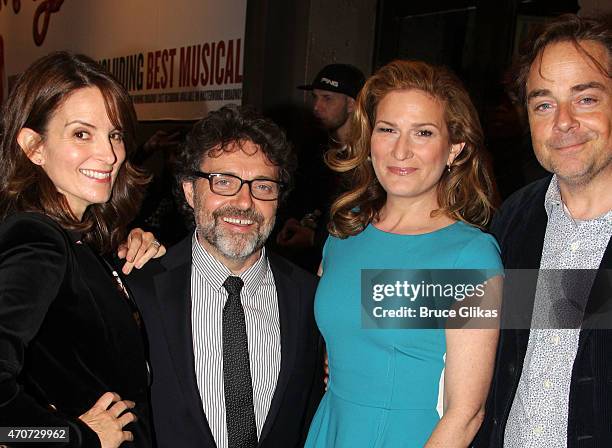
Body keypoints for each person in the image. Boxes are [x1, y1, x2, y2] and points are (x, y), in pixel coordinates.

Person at [304, 59, 503, 447]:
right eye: (388, 129)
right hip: (332, 427)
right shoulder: (345, 230)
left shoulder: (470, 256)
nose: (401, 150)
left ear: (455, 149)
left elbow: (466, 414)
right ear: (369, 138)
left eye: (423, 133)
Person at [127, 105, 324, 448]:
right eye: (224, 182)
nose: (245, 202)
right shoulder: (139, 288)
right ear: (190, 191)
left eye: (262, 186)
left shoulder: (310, 296)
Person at [0, 52, 165, 447]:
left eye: (115, 133)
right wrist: (75, 438)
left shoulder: (76, 239)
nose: (109, 154)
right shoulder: (38, 239)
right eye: (81, 133)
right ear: (33, 146)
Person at [474, 14, 612, 447]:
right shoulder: (515, 217)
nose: (563, 122)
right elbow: (473, 319)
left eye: (586, 98)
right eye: (544, 104)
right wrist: (351, 310)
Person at [276, 64, 365, 270]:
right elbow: (304, 196)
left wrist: (315, 238)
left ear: (351, 104)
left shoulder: (372, 158)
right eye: (315, 97)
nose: (317, 106)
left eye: (327, 98)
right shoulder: (314, 149)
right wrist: (291, 221)